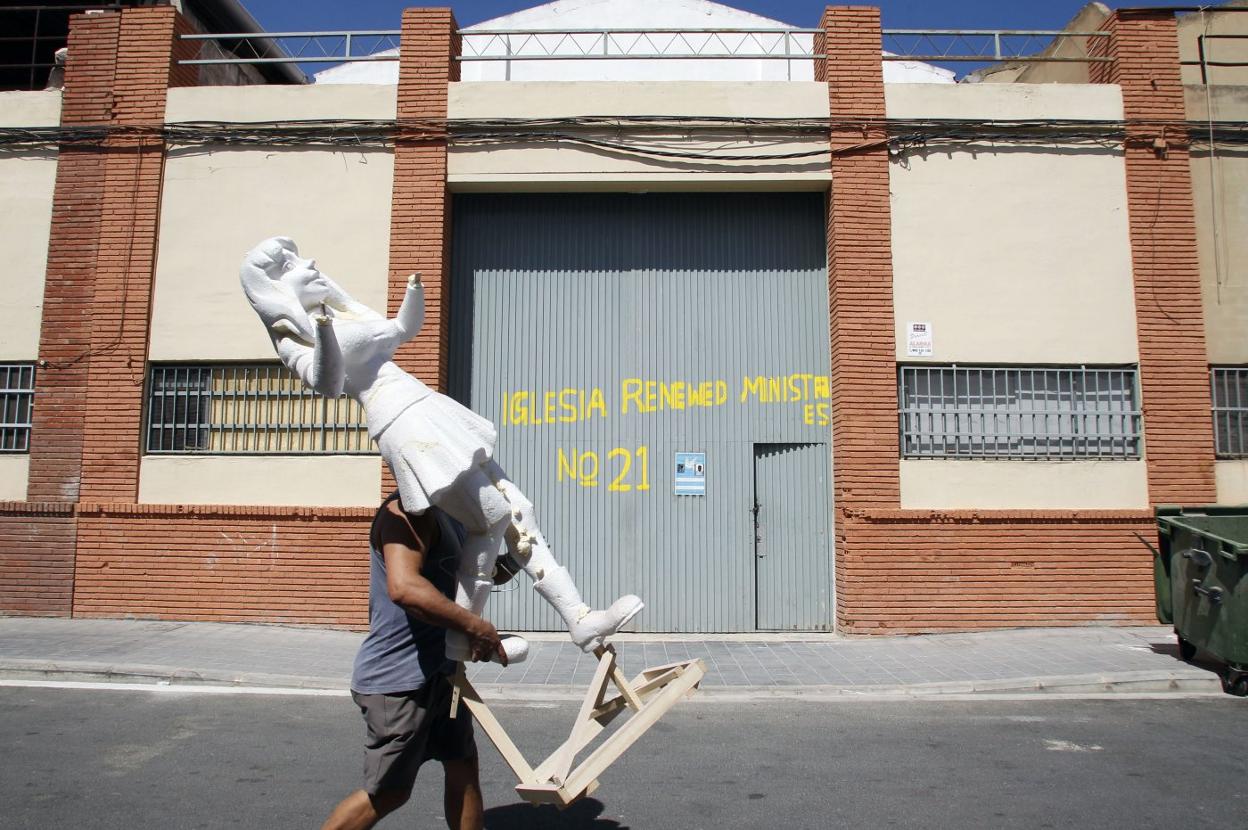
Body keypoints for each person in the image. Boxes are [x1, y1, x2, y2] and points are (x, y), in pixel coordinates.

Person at [239, 237, 643, 665]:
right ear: (275, 287)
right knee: (490, 516)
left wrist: (414, 294)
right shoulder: (293, 336)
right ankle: (464, 637)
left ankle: (578, 616)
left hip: (428, 409)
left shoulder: (342, 312)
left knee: (518, 508)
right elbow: (327, 380)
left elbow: (402, 329)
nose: (309, 262)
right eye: (289, 263)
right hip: (402, 424)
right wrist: (322, 332)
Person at [322, 493, 505, 830]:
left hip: (443, 673)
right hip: (400, 679)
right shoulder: (405, 513)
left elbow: (458, 577)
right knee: (389, 792)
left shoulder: (449, 511)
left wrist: (512, 562)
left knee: (463, 764)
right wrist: (475, 627)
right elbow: (405, 588)